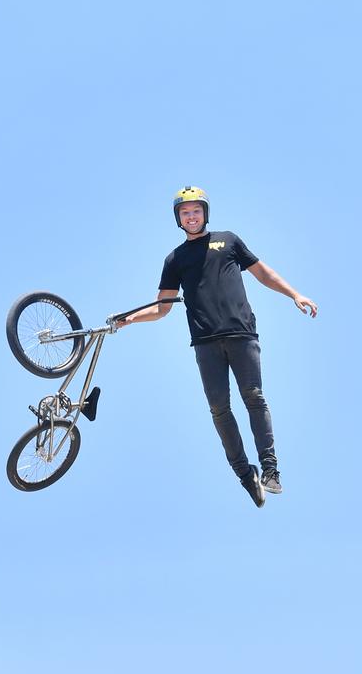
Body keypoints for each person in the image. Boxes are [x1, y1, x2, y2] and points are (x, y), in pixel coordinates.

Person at [118, 186, 318, 507]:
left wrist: (295, 294)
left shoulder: (228, 241)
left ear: (205, 213)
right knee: (219, 409)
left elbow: (262, 273)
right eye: (185, 213)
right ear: (178, 219)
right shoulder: (175, 259)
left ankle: (270, 470)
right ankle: (245, 474)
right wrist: (128, 320)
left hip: (241, 334)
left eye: (196, 210)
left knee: (254, 397)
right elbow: (162, 307)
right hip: (206, 343)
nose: (191, 216)